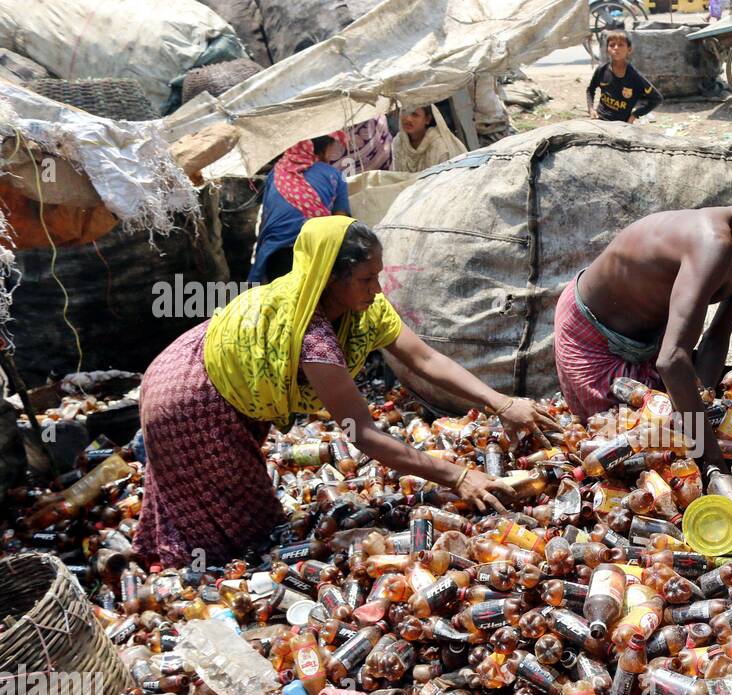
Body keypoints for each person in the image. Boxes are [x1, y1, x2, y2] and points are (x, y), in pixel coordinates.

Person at [136, 216, 557, 569]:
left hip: (210, 373)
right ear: (329, 278)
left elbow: (425, 360)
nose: (376, 289)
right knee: (239, 525)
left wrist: (502, 403)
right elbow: (363, 434)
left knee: (227, 506)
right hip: (190, 400)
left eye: (378, 276)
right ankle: (186, 582)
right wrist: (457, 476)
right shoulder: (311, 334)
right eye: (365, 279)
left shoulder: (364, 308)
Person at [552, 146, 732, 465]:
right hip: (594, 341)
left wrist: (704, 410)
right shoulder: (713, 243)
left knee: (680, 432)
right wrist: (711, 460)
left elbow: (716, 338)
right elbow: (673, 360)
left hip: (651, 342)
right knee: (631, 446)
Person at [250, 136, 350, 284]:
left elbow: (266, 217)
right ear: (324, 150)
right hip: (315, 251)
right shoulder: (334, 175)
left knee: (282, 302)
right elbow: (341, 219)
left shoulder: (277, 172)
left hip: (275, 254)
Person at [586, 31, 663, 124]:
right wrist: (591, 109)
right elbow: (590, 89)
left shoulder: (635, 77)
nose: (616, 48)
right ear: (607, 50)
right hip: (600, 120)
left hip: (622, 125)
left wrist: (635, 115)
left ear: (629, 50)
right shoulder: (602, 70)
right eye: (612, 45)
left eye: (621, 45)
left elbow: (657, 98)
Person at [392, 106, 464, 173]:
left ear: (427, 119)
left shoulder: (440, 146)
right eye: (404, 112)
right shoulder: (398, 142)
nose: (408, 119)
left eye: (415, 114)